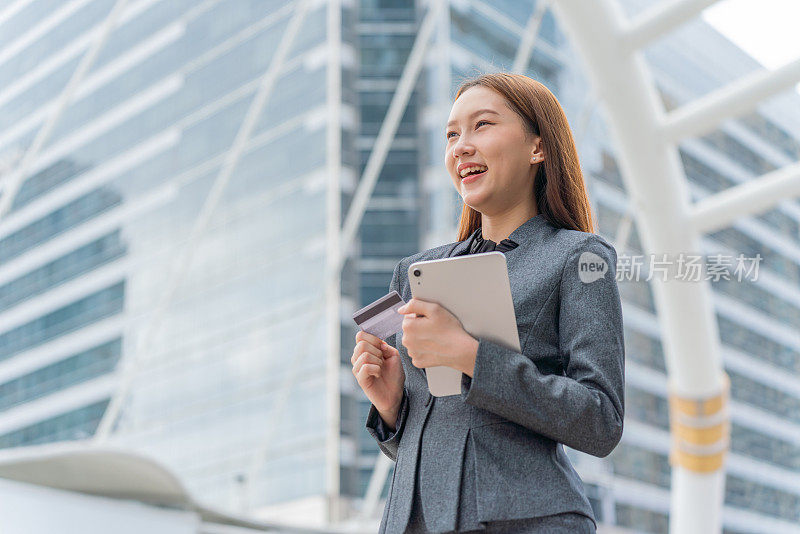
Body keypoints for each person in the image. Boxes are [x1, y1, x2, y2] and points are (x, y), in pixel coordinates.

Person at [351, 72, 625, 533]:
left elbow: (600, 421)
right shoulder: (414, 272)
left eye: (482, 125)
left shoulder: (577, 257)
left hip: (528, 521)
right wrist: (393, 406)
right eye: (452, 134)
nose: (460, 146)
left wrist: (470, 356)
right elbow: (445, 446)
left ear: (538, 148)